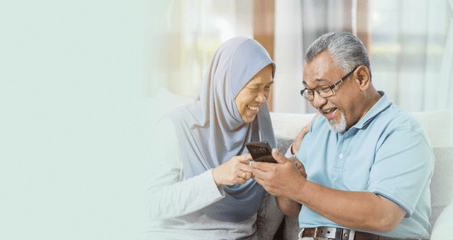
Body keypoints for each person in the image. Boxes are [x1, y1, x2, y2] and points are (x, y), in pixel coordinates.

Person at [251, 32, 435, 240]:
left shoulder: (402, 132)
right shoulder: (319, 127)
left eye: (323, 88)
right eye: (309, 91)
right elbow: (292, 208)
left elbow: (384, 216)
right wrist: (285, 183)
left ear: (361, 78)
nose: (317, 102)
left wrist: (299, 187)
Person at [144, 37, 277, 239]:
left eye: (267, 87)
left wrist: (295, 155)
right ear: (226, 84)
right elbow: (151, 203)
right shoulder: (176, 127)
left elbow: (269, 197)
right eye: (254, 88)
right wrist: (215, 177)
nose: (262, 98)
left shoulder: (259, 130)